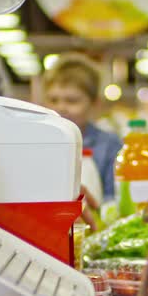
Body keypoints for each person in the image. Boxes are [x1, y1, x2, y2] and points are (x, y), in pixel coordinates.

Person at [43, 53, 123, 227]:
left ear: (95, 104)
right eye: (53, 99)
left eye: (72, 101)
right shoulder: (34, 144)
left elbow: (115, 198)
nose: (60, 107)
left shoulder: (109, 145)